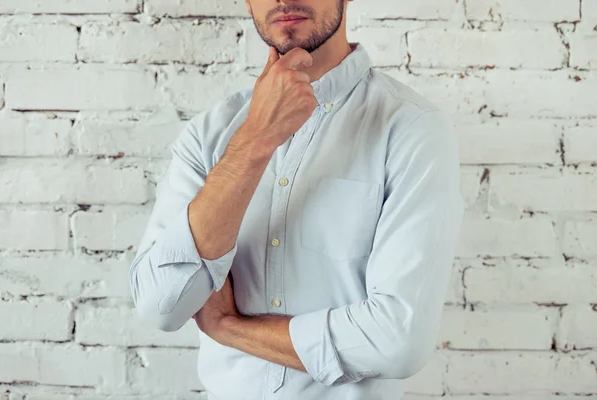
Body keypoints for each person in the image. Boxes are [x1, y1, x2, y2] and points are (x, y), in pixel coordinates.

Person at [128, 0, 464, 398]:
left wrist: (229, 326)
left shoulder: (412, 129)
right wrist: (255, 142)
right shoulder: (209, 136)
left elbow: (397, 341)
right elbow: (161, 305)